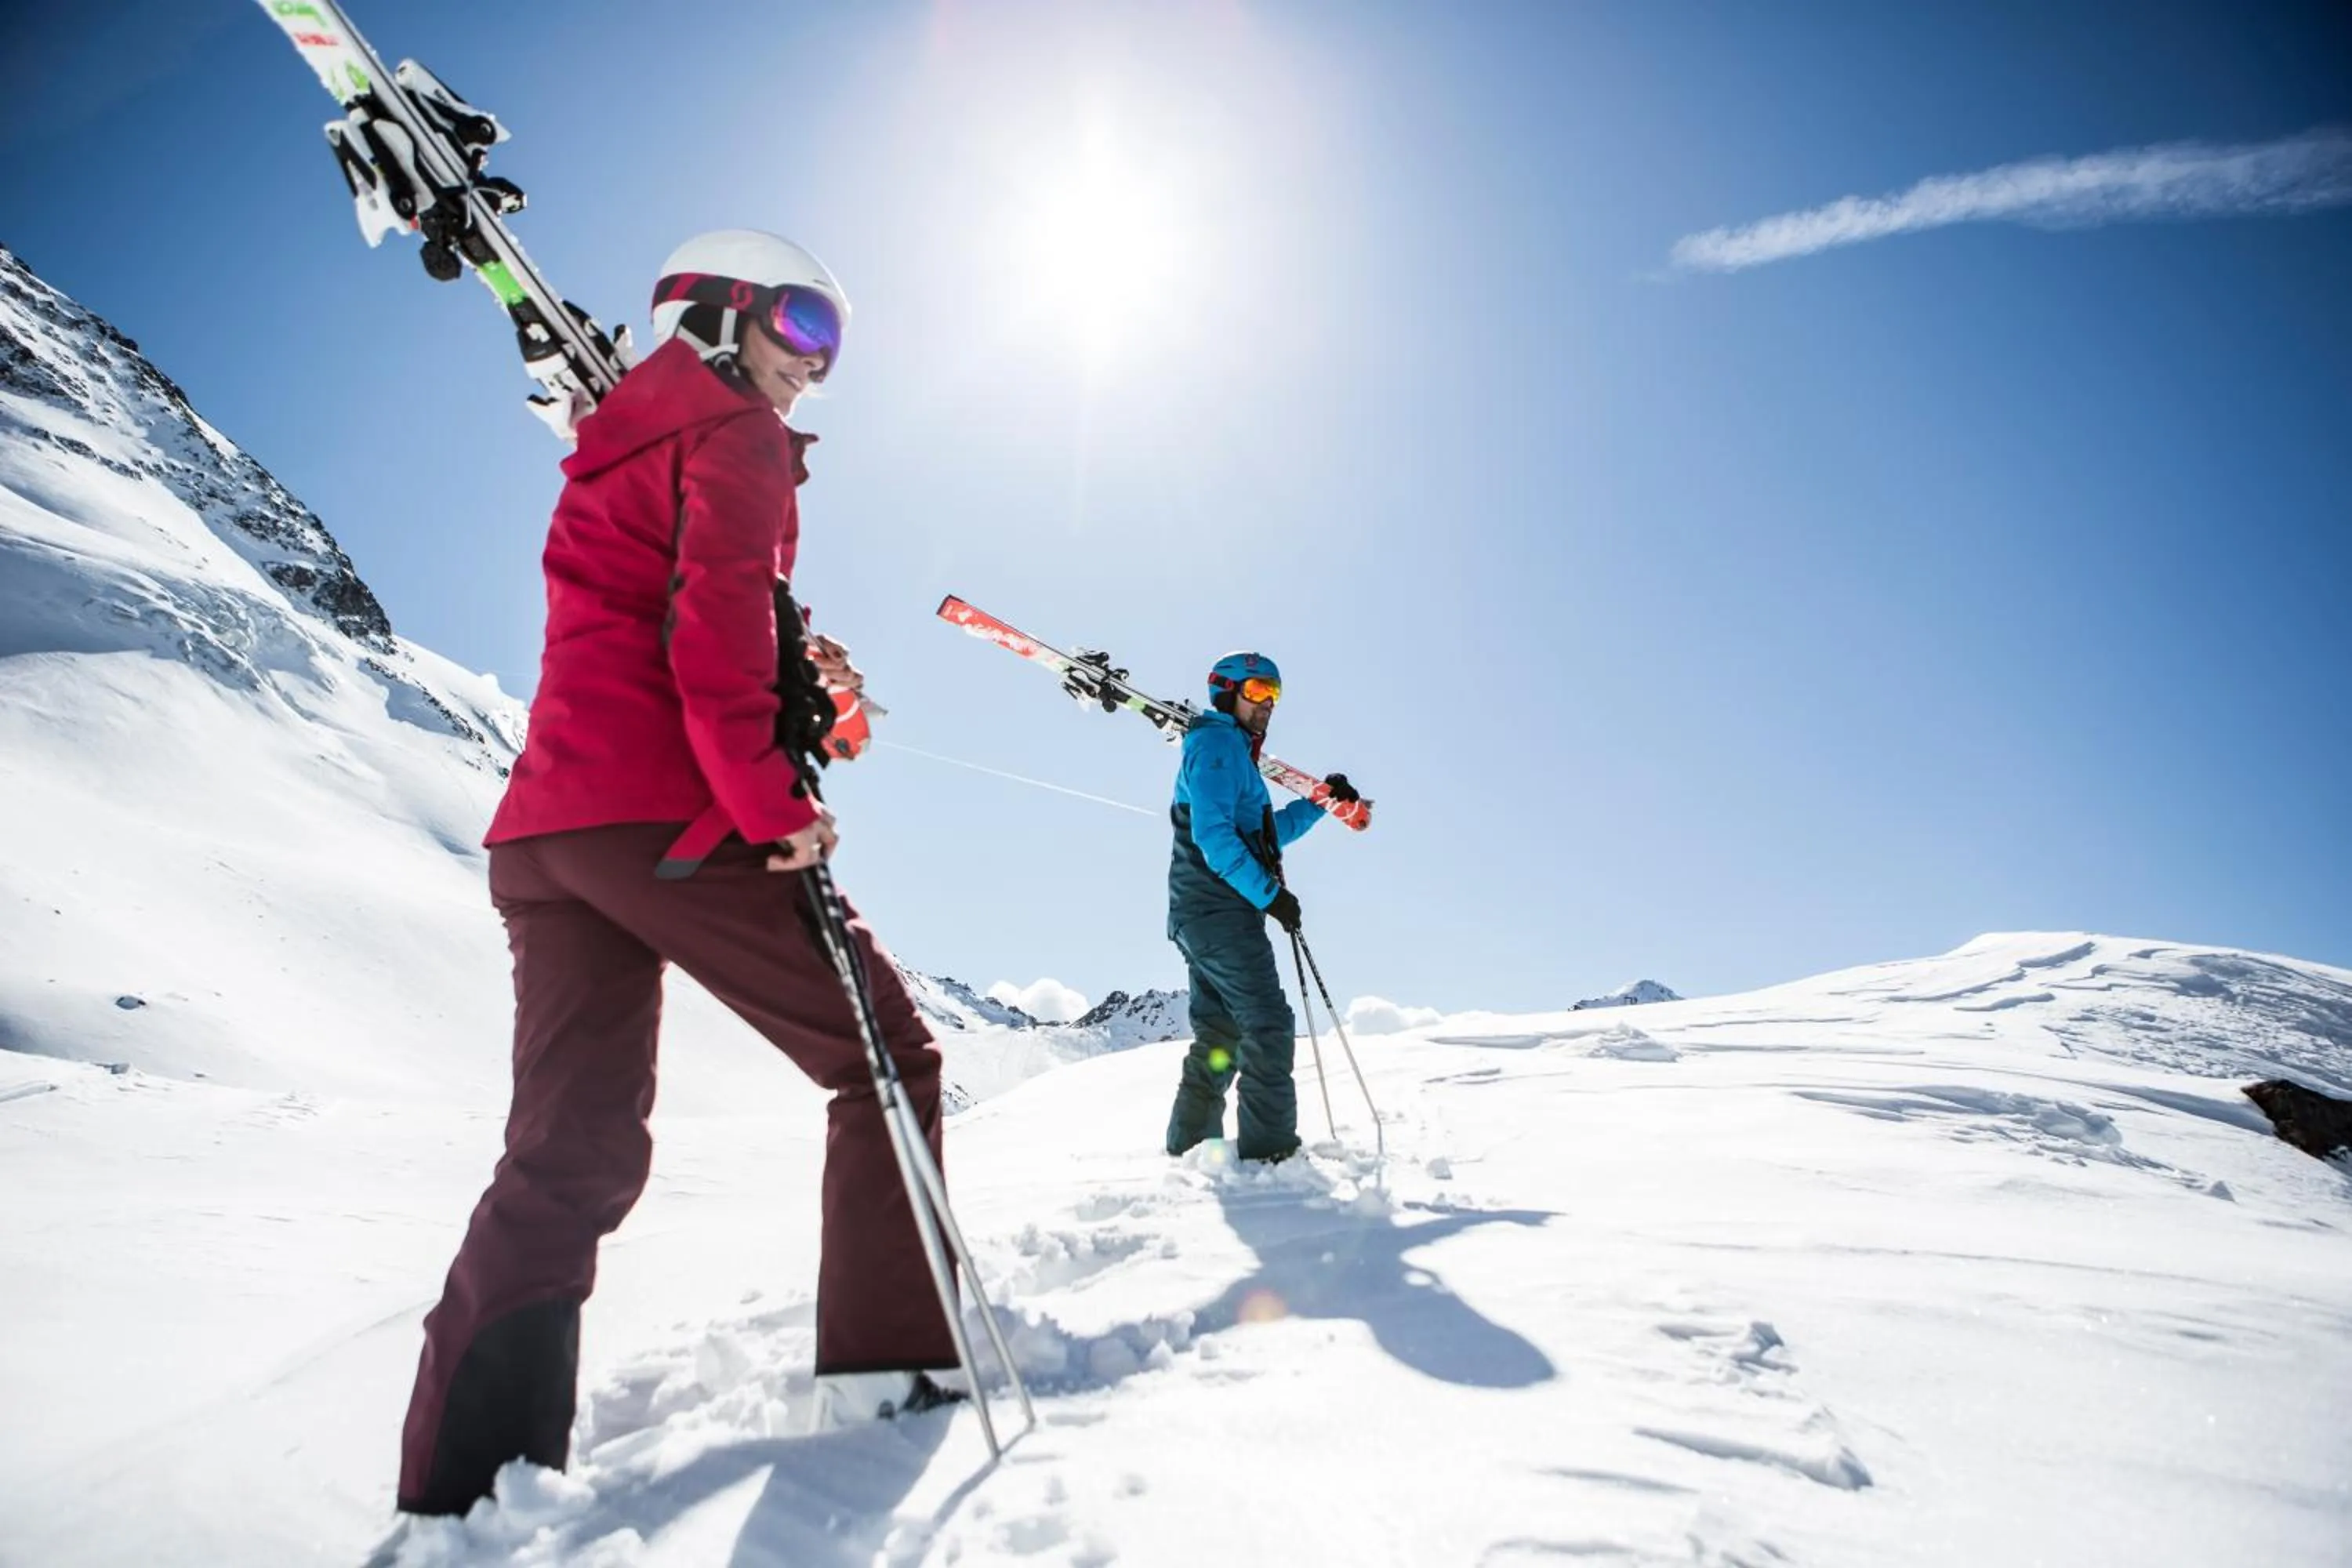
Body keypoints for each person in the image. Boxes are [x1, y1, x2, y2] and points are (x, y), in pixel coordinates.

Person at [397, 230, 956, 1519]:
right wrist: (780, 804)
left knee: (568, 1154)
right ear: (717, 313)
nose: (818, 366)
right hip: (672, 814)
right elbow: (707, 642)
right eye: (804, 324)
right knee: (889, 1061)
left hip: (550, 830)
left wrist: (792, 674)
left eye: (835, 344)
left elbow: (660, 615)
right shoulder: (739, 434)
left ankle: (465, 1495)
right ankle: (893, 1394)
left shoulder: (608, 449)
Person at [1162, 652, 1363, 1162]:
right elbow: (1212, 835)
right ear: (1226, 691)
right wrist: (1271, 896)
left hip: (1203, 914)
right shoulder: (1215, 745)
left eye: (1275, 692)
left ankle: (1189, 1153)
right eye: (1257, 689)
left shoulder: (1233, 755)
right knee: (1267, 1023)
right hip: (1219, 911)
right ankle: (1269, 1155)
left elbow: (1268, 835)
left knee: (1221, 1032)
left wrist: (1320, 803)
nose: (1268, 702)